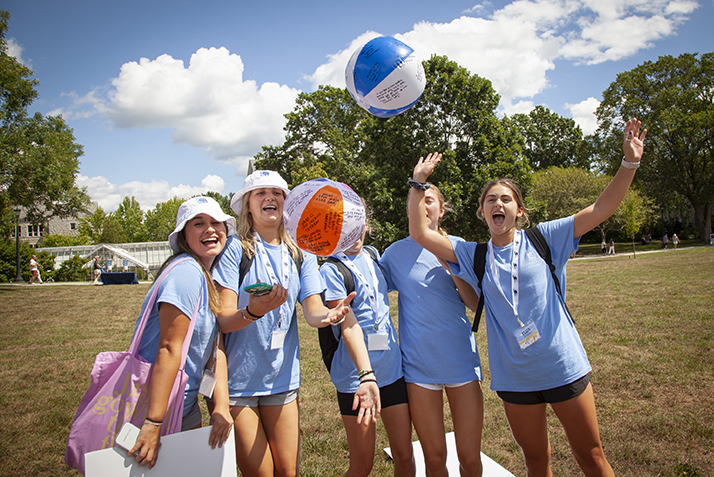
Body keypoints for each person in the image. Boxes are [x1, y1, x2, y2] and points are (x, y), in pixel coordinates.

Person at [407, 118, 646, 476]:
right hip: (515, 379)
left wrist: (629, 163)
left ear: (519, 210)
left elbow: (600, 209)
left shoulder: (545, 238)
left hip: (562, 366)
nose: (497, 203)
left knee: (591, 455)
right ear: (483, 212)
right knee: (536, 461)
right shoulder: (474, 255)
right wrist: (418, 183)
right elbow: (420, 232)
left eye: (506, 198)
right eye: (490, 200)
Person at [212, 170, 354, 477]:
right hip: (239, 384)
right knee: (261, 474)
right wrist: (253, 312)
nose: (270, 197)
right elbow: (222, 321)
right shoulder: (235, 250)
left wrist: (328, 316)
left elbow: (313, 308)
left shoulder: (302, 250)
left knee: (288, 472)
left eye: (277, 192)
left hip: (283, 379)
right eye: (260, 192)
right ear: (248, 205)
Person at [380, 185, 484, 477]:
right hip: (418, 368)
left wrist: (451, 265)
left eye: (430, 201)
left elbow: (475, 304)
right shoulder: (395, 253)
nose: (424, 207)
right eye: (417, 202)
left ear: (441, 208)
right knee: (434, 458)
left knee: (469, 457)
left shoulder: (459, 246)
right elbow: (370, 289)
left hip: (462, 363)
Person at [129, 196, 235, 469]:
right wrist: (153, 423)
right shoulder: (186, 272)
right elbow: (169, 348)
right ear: (185, 237)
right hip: (157, 410)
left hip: (183, 406)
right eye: (199, 224)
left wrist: (220, 405)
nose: (210, 229)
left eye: (216, 222)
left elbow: (213, 348)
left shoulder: (204, 276)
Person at [321, 210, 416, 477]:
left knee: (405, 457)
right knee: (362, 464)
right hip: (356, 378)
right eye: (343, 225)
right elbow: (347, 325)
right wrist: (365, 375)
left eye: (357, 223)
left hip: (392, 371)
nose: (352, 232)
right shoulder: (331, 269)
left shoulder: (374, 255)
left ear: (365, 223)